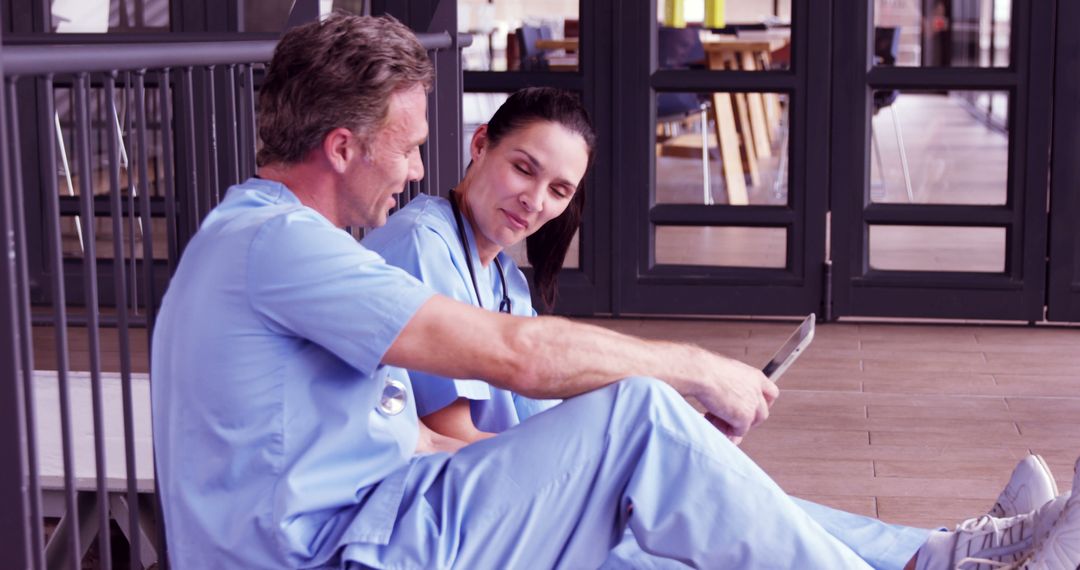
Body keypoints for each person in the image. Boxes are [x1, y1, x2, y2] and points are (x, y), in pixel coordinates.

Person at [150, 13, 1080, 570]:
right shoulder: (283, 245)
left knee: (678, 495)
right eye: (410, 145)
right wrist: (696, 371)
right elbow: (514, 360)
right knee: (643, 424)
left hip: (377, 523)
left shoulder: (279, 243)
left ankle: (954, 554)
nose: (418, 166)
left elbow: (410, 427)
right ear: (343, 147)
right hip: (342, 551)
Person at [361, 86, 1075, 570]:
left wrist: (658, 437)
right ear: (479, 143)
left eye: (559, 190)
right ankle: (953, 556)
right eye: (523, 168)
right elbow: (452, 446)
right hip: (460, 517)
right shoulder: (422, 243)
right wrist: (603, 460)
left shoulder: (501, 277)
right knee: (715, 513)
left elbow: (540, 416)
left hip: (508, 493)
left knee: (728, 493)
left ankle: (950, 552)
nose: (534, 201)